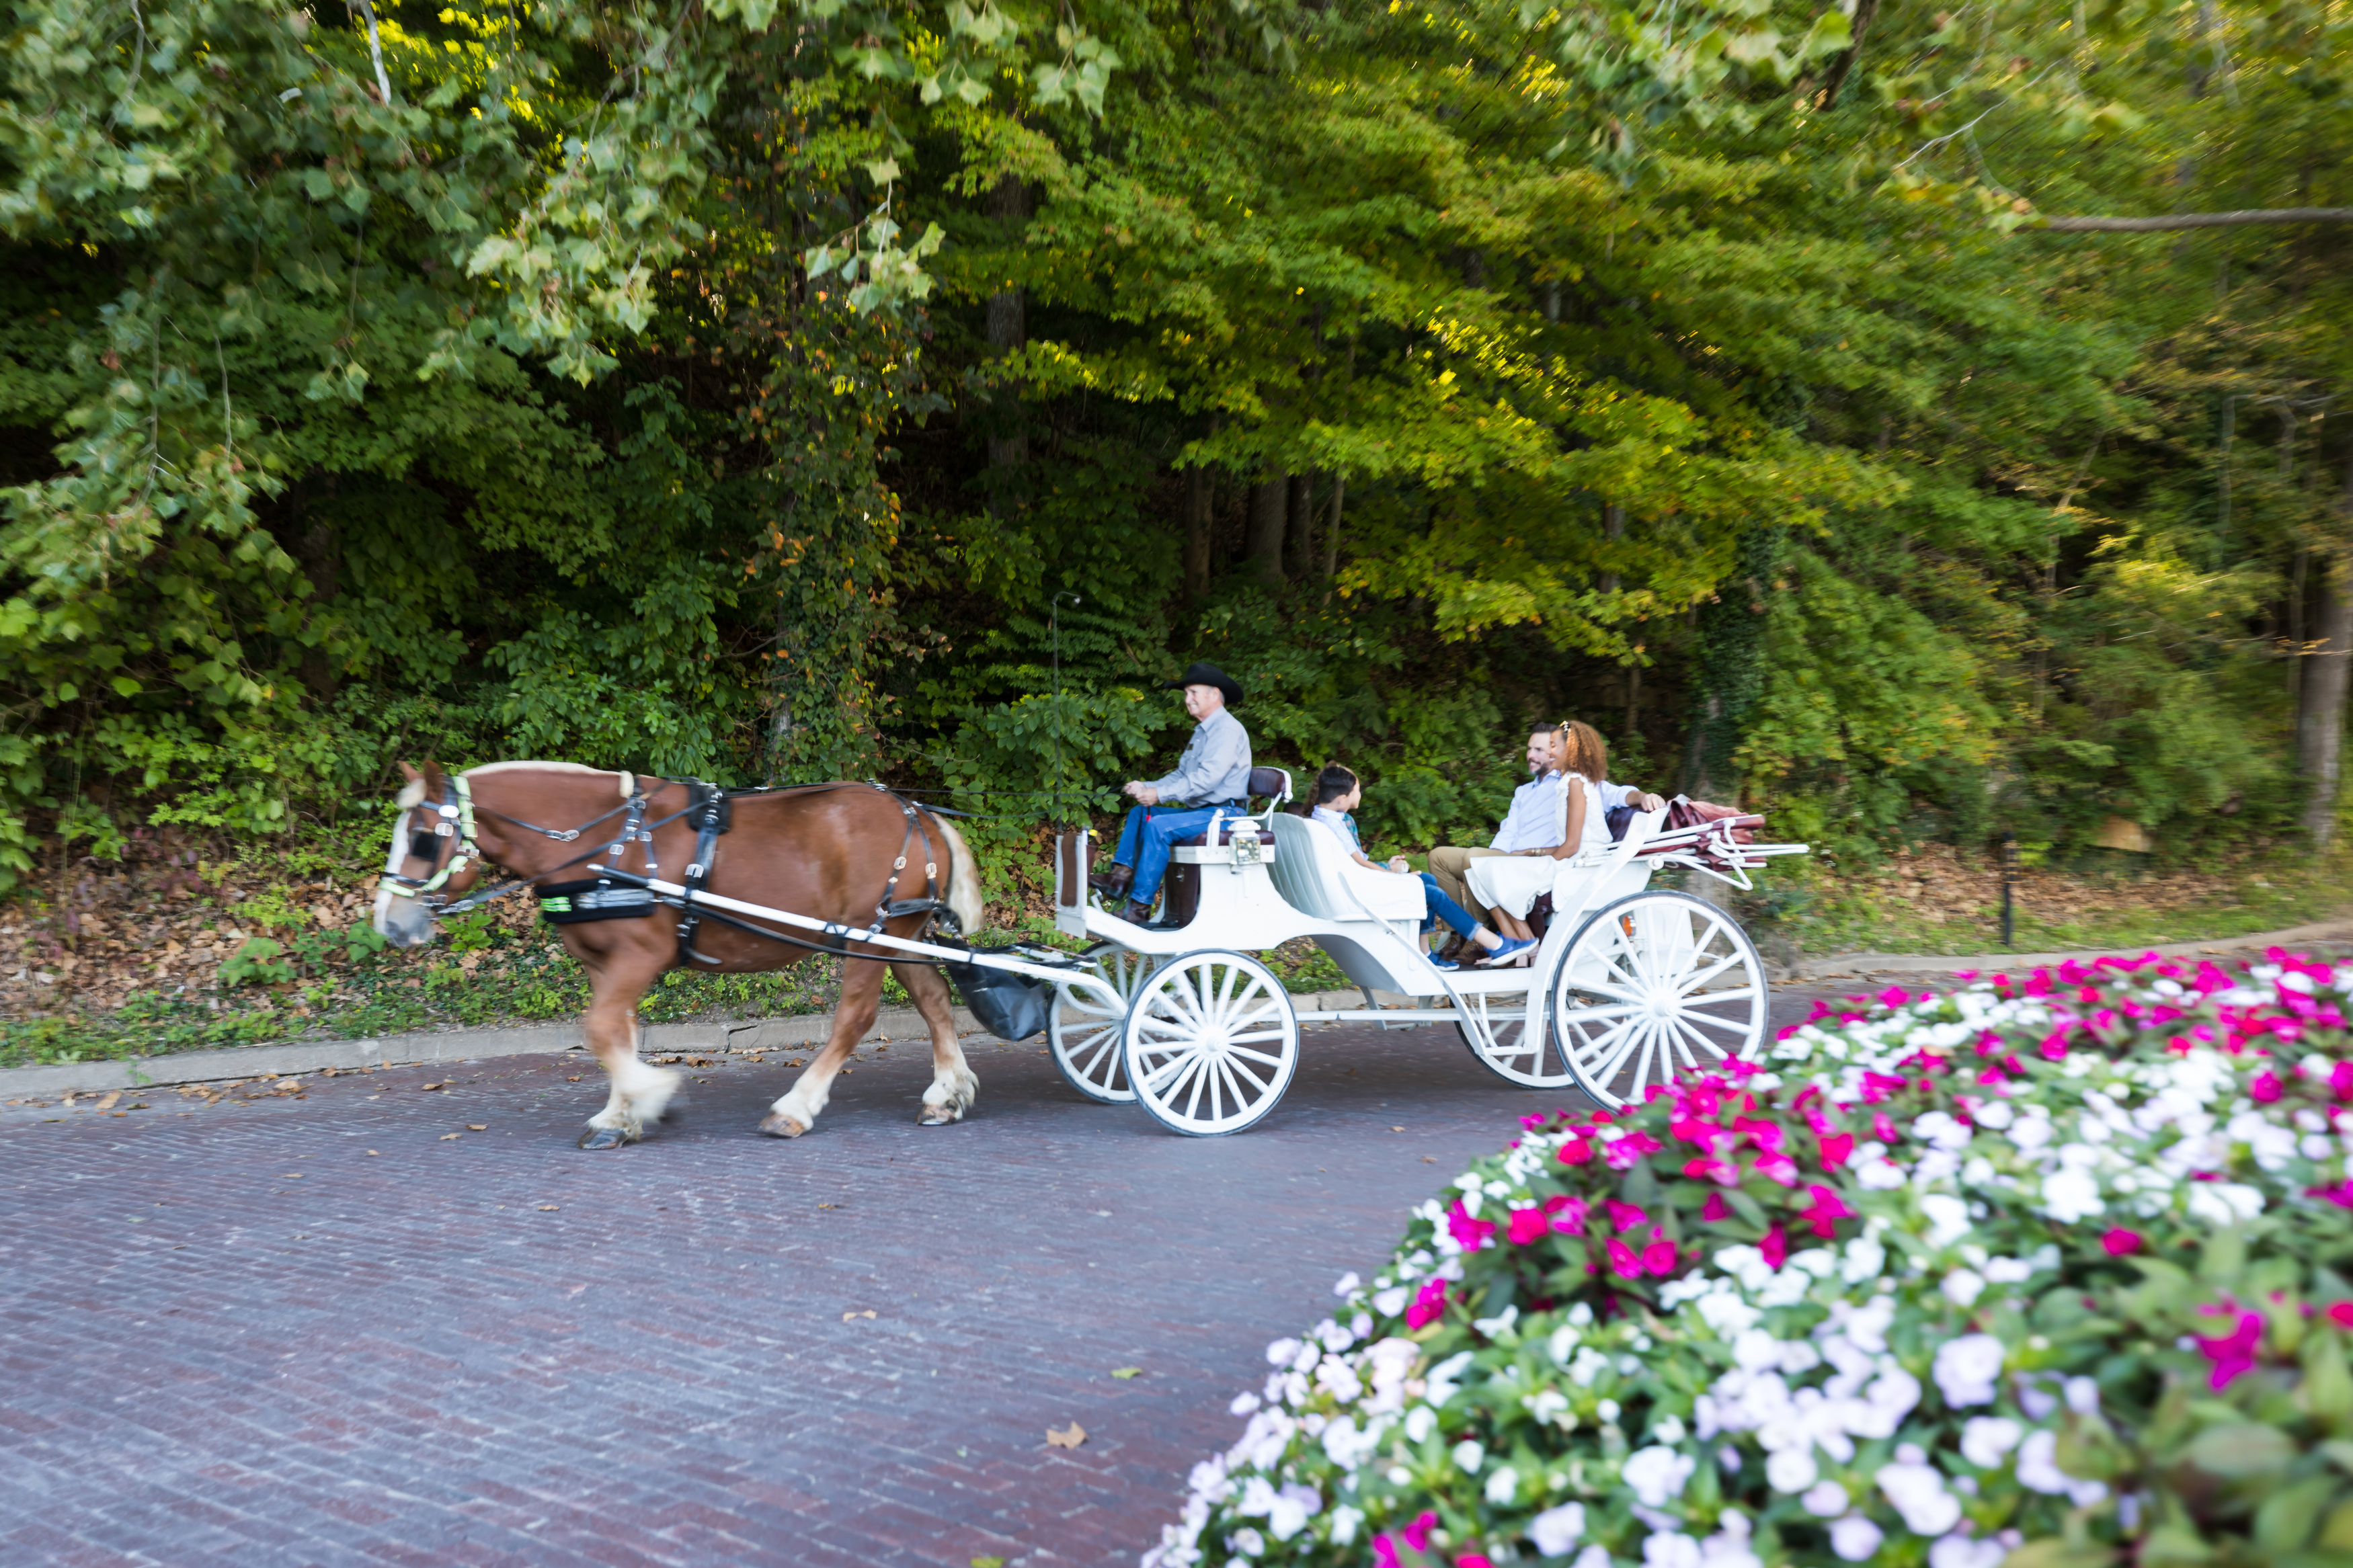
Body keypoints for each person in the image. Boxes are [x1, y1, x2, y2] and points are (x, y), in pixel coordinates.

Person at [1425, 720, 1666, 960]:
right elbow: (1508, 832)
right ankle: (1455, 934)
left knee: (1475, 860)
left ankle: (1481, 939)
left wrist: (1645, 796)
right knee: (1440, 857)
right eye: (1531, 749)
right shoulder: (1524, 791)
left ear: (1566, 751)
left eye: (1542, 749)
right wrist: (1501, 855)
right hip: (1517, 854)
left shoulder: (1577, 783)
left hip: (1552, 856)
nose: (1533, 755)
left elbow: (1619, 794)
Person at [1302, 765, 1536, 971]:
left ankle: (1424, 953)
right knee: (1431, 893)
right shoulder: (1334, 824)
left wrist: (1390, 869)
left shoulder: (1320, 818)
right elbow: (1360, 864)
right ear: (1342, 798)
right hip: (1358, 892)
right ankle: (1497, 945)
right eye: (1358, 790)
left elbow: (1353, 862)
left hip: (1349, 885)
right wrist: (1393, 875)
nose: (1360, 794)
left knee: (1427, 881)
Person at [1090, 661, 1253, 925]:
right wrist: (1148, 788)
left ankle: (1140, 906)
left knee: (1159, 826)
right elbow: (1182, 775)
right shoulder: (1202, 732)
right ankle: (1119, 878)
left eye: (1193, 693)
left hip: (1226, 814)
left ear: (1214, 694)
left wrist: (1160, 794)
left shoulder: (1227, 729)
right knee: (1140, 812)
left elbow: (1207, 779)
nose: (1187, 700)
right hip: (1204, 813)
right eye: (1186, 694)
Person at [1464, 720, 1616, 962]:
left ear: (1572, 751)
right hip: (1569, 857)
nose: (1550, 752)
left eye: (1554, 746)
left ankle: (1526, 945)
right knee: (1480, 871)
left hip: (1581, 862)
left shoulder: (1576, 783)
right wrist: (1530, 853)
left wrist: (1534, 857)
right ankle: (1521, 944)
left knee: (1491, 870)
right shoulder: (1568, 782)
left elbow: (1572, 846)